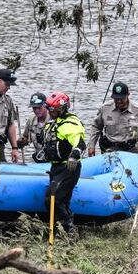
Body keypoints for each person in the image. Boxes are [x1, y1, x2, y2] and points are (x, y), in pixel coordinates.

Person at [41, 91, 86, 237]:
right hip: (55, 167)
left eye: (53, 110)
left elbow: (79, 142)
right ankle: (60, 230)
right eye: (49, 110)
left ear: (62, 109)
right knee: (62, 200)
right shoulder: (52, 124)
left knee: (53, 197)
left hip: (69, 167)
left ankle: (68, 228)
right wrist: (43, 154)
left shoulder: (70, 123)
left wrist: (75, 155)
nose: (50, 112)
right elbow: (51, 144)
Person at [87, 82, 138, 159]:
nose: (119, 101)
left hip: (133, 149)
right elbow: (96, 127)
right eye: (116, 99)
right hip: (111, 148)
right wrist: (91, 146)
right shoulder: (105, 109)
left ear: (128, 95)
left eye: (122, 98)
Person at [17, 92, 50, 163]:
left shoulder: (54, 119)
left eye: (39, 107)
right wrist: (21, 142)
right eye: (34, 108)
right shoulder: (31, 120)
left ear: (45, 106)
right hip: (40, 158)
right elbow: (26, 138)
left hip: (54, 160)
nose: (37, 110)